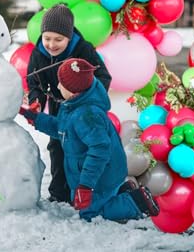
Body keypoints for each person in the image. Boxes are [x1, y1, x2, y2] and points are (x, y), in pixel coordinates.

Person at [20, 58, 160, 222]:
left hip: (101, 175)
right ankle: (122, 191)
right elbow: (63, 129)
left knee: (91, 214)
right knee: (85, 205)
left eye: (61, 84)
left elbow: (100, 151)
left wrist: (86, 186)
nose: (57, 86)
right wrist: (36, 118)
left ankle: (136, 202)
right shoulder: (73, 106)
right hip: (93, 173)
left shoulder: (87, 115)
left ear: (73, 91)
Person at [26, 3, 111, 203]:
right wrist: (36, 101)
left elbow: (103, 76)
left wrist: (84, 98)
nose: (51, 45)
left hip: (83, 109)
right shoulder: (39, 53)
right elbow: (34, 82)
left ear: (69, 36)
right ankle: (59, 193)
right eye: (47, 38)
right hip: (59, 106)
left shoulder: (83, 49)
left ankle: (87, 190)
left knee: (83, 147)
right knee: (57, 146)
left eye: (58, 39)